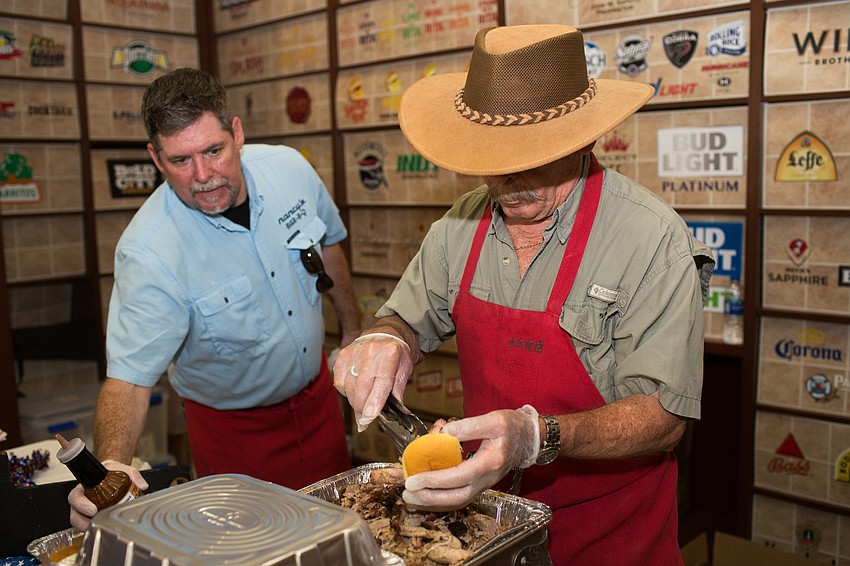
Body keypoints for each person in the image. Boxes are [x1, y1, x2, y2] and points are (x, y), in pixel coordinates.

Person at [333, 24, 714, 565]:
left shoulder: (651, 239)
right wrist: (384, 338)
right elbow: (403, 320)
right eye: (494, 155)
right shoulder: (458, 228)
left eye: (535, 154)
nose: (510, 177)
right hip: (489, 533)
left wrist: (538, 437)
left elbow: (665, 417)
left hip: (611, 538)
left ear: (584, 138)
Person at [68, 68, 360, 529]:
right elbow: (129, 381)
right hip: (235, 437)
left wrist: (352, 329)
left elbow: (329, 244)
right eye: (180, 160)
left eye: (213, 151)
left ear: (237, 132)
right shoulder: (149, 252)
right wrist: (112, 466)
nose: (203, 176)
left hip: (319, 404)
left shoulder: (289, 169)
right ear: (155, 158)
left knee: (343, 534)